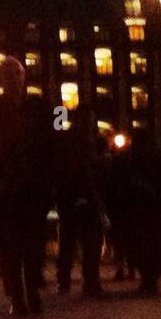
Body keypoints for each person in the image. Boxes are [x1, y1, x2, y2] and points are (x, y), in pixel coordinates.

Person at [0, 57, 54, 316]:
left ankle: (32, 291)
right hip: (4, 188)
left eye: (16, 74)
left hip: (33, 187)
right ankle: (17, 296)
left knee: (34, 244)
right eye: (7, 75)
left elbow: (52, 142)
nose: (13, 79)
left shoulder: (40, 106)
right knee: (9, 247)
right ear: (1, 79)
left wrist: (49, 178)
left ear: (23, 77)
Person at [108, 128, 161, 295]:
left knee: (139, 247)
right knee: (152, 246)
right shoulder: (157, 158)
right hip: (150, 210)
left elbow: (116, 185)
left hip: (135, 211)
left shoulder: (126, 159)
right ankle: (150, 280)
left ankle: (148, 279)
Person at [55, 105, 106, 298]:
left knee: (69, 241)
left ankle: (65, 281)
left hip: (70, 198)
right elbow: (81, 171)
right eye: (89, 119)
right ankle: (90, 282)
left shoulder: (70, 139)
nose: (91, 123)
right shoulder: (82, 142)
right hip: (80, 197)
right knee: (88, 241)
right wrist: (89, 196)